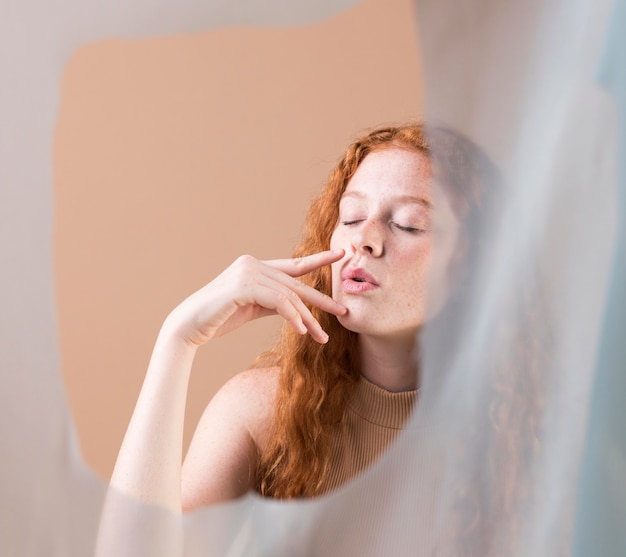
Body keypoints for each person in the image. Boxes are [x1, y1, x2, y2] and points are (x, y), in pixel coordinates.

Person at [109, 123, 468, 513]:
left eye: (408, 224)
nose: (363, 238)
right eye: (350, 217)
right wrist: (177, 340)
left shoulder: (526, 435)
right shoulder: (263, 412)